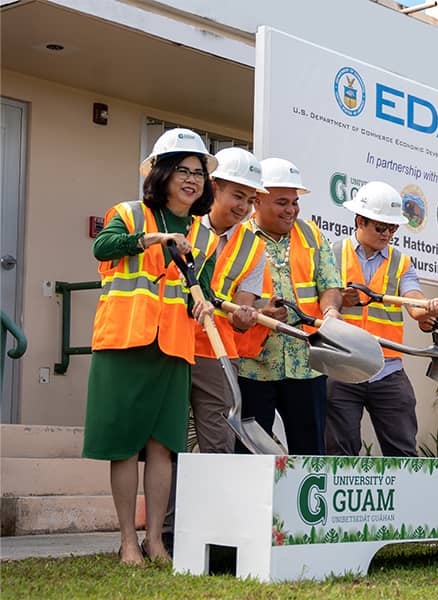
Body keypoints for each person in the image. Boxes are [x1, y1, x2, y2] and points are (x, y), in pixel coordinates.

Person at [83, 128, 217, 564]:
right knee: (124, 443)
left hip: (174, 348)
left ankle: (155, 541)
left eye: (198, 172)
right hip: (123, 341)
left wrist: (209, 307)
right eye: (182, 169)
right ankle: (127, 541)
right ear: (160, 173)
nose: (192, 179)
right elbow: (102, 247)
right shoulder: (128, 212)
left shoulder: (206, 236)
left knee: (163, 446)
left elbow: (203, 291)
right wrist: (153, 240)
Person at [327, 181, 438, 457]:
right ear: (360, 220)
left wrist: (429, 308)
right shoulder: (332, 254)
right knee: (340, 452)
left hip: (388, 369)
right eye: (381, 227)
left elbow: (414, 302)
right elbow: (319, 302)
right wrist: (339, 300)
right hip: (343, 366)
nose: (387, 234)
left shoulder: (401, 262)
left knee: (403, 453)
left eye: (392, 228)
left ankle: (408, 499)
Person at [237, 157, 343, 455]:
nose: (292, 210)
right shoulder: (239, 237)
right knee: (250, 453)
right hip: (254, 363)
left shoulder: (312, 235)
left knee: (309, 454)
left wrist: (331, 311)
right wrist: (259, 311)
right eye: (283, 202)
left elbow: (329, 286)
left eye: (295, 202)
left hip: (306, 363)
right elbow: (226, 294)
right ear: (257, 200)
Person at [191, 147, 268, 453]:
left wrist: (244, 317)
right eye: (238, 195)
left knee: (218, 444)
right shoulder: (184, 222)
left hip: (217, 351)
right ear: (214, 188)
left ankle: (212, 502)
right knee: (165, 443)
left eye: (251, 201)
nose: (244, 207)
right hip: (172, 343)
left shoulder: (253, 247)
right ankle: (168, 504)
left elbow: (242, 304)